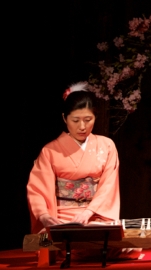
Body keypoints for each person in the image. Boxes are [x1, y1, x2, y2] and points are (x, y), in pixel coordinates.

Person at [27, 83, 120, 233]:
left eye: (88, 119)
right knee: (50, 240)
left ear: (95, 117)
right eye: (75, 120)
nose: (82, 126)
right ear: (64, 118)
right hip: (59, 219)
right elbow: (37, 189)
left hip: (95, 217)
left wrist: (88, 212)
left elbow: (108, 187)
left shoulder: (107, 146)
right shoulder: (50, 151)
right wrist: (44, 216)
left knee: (113, 239)